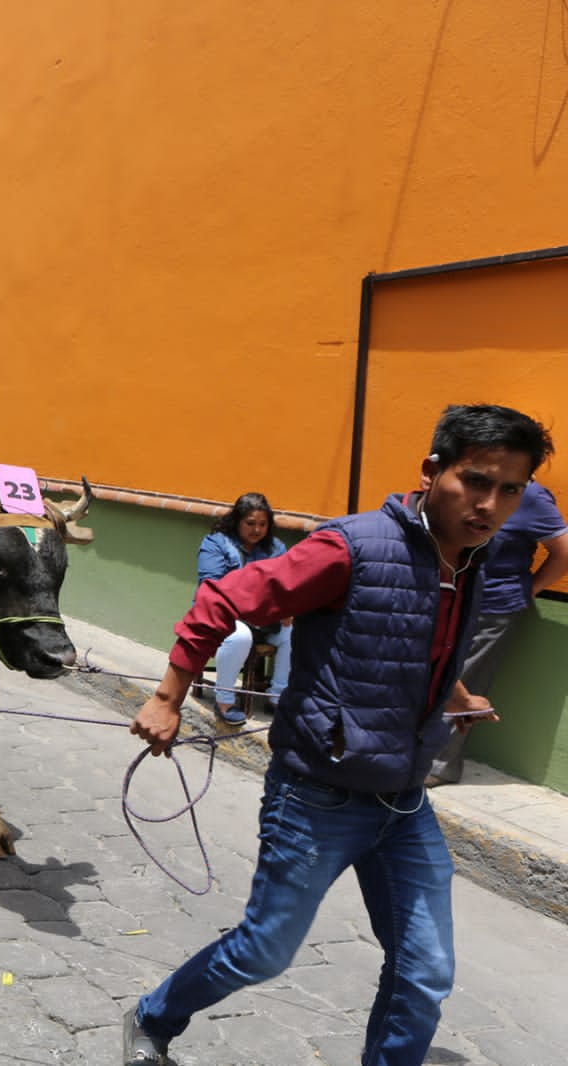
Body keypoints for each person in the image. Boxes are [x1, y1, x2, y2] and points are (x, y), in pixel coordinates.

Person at [124, 404, 553, 1066]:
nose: (488, 504)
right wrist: (167, 696)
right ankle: (153, 1016)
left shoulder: (475, 561)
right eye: (475, 480)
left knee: (426, 972)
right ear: (431, 470)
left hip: (405, 802)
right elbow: (221, 602)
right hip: (317, 798)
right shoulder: (347, 547)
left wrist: (455, 694)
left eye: (509, 490)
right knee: (265, 950)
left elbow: (419, 642)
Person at [426, 480, 568, 785]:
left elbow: (563, 552)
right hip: (450, 597)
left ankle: (439, 766)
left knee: (467, 676)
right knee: (434, 671)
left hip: (494, 606)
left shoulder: (530, 497)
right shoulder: (460, 483)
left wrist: (530, 589)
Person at [195, 492, 292, 725]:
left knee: (295, 631)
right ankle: (224, 700)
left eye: (262, 524)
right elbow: (211, 587)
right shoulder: (216, 543)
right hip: (223, 613)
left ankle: (278, 696)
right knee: (240, 636)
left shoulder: (276, 548)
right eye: (250, 524)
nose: (256, 530)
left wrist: (287, 607)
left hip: (263, 617)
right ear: (237, 521)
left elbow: (287, 582)